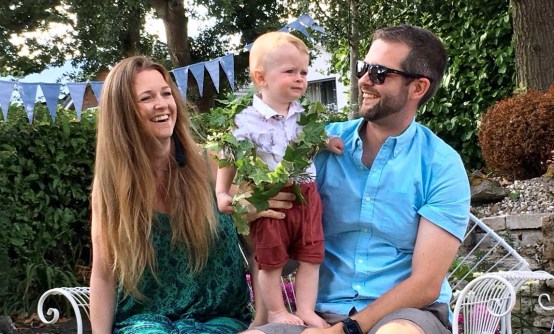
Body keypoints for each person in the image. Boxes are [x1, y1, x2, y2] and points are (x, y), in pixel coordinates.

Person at [244, 24, 471, 334]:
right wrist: (254, 214)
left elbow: (425, 285)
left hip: (406, 315)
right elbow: (282, 256)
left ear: (417, 88)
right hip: (316, 313)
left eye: (379, 73)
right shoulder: (317, 146)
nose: (363, 80)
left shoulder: (441, 165)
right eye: (364, 68)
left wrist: (344, 331)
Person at [88, 55, 294, 334]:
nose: (162, 104)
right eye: (146, 98)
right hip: (143, 322)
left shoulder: (212, 163)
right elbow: (103, 274)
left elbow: (259, 250)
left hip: (221, 320)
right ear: (122, 113)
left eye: (166, 93)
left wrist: (260, 322)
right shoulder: (110, 187)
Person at [215, 32, 343, 329]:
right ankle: (274, 311)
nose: (300, 78)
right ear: (261, 77)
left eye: (304, 72)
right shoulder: (246, 120)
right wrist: (222, 193)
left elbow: (311, 137)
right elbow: (229, 155)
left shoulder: (302, 115)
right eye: (290, 71)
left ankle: (306, 309)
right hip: (270, 196)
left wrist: (327, 141)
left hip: (307, 194)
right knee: (270, 260)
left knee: (312, 255)